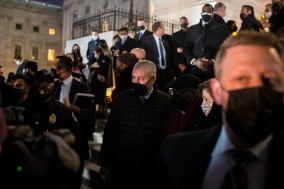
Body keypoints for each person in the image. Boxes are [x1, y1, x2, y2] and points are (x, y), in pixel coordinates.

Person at [158, 31, 284, 189]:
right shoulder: (175, 152)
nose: (256, 88)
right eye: (241, 78)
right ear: (217, 91)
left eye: (269, 79)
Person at [98, 60, 172, 189]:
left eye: (141, 78)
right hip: (120, 163)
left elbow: (166, 136)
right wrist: (105, 161)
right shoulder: (122, 98)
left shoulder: (166, 102)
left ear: (152, 79)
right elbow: (110, 131)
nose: (136, 82)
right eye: (133, 77)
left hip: (148, 166)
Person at [52, 55, 96, 188]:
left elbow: (91, 113)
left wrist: (79, 109)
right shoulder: (53, 85)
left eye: (55, 67)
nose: (53, 69)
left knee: (74, 181)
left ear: (62, 69)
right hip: (56, 139)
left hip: (76, 141)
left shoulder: (83, 87)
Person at [183, 3, 229, 82]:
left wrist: (212, 61)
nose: (206, 12)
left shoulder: (222, 29)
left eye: (208, 11)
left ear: (212, 13)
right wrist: (194, 61)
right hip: (194, 71)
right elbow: (186, 48)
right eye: (204, 11)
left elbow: (225, 49)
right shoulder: (192, 29)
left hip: (213, 72)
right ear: (201, 12)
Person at [140, 21, 175, 93]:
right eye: (163, 28)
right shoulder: (146, 40)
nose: (164, 29)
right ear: (159, 29)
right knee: (155, 93)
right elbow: (143, 57)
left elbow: (170, 57)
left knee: (165, 92)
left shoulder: (165, 42)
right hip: (154, 72)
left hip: (166, 73)